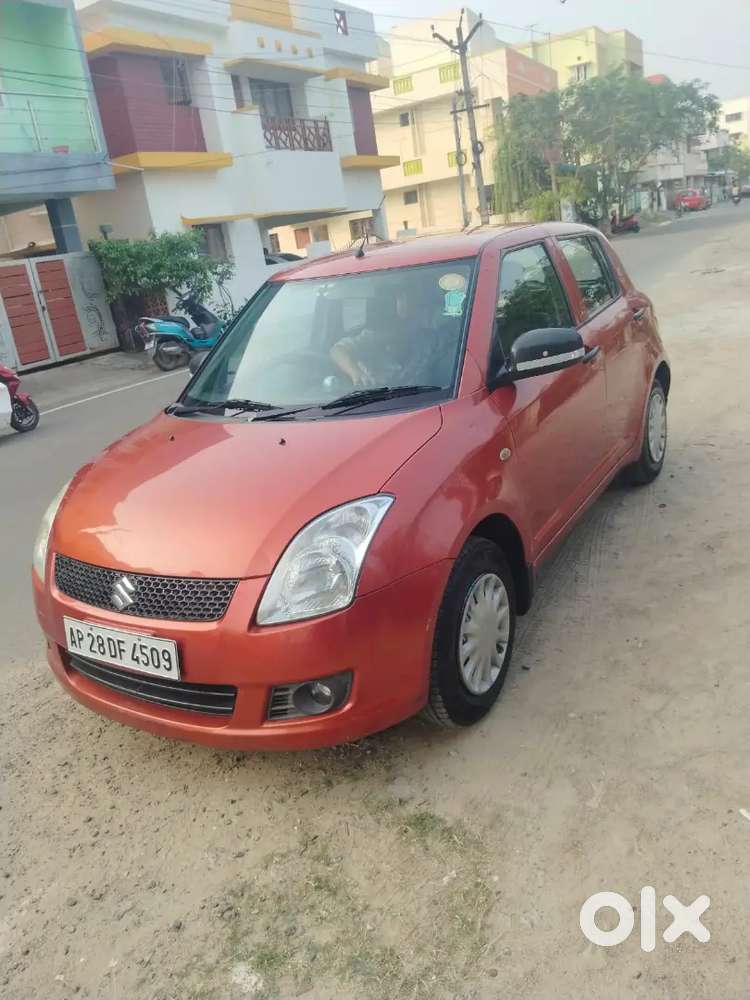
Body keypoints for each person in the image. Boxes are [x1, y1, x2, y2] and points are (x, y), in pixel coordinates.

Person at [330, 283, 458, 388]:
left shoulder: (427, 339)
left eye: (404, 300)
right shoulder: (369, 338)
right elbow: (337, 350)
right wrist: (356, 374)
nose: (402, 307)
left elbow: (456, 333)